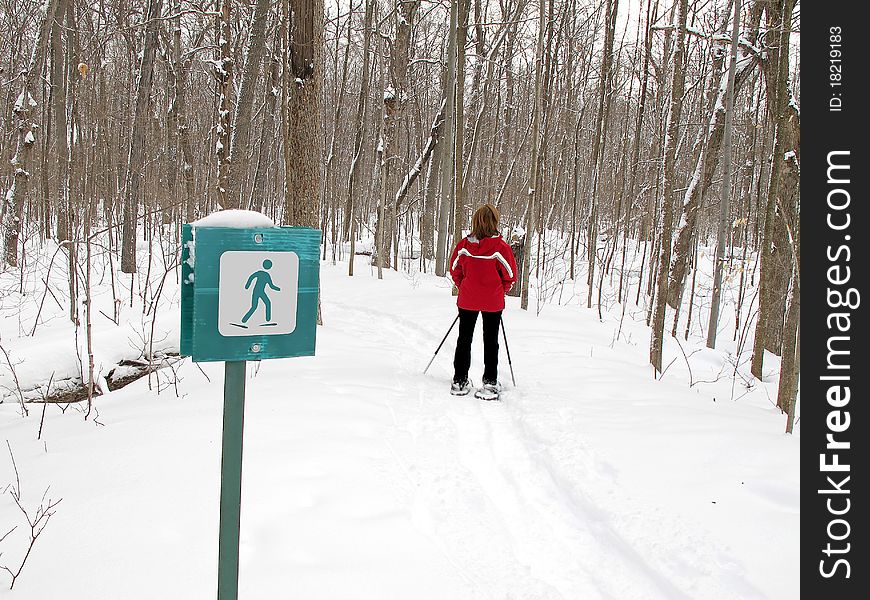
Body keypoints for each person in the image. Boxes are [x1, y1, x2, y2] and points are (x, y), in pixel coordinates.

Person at [448, 203, 517, 398]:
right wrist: (500, 291)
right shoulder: (501, 247)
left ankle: (459, 381)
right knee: (491, 340)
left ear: (475, 221)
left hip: (468, 300)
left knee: (464, 339)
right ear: (494, 221)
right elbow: (510, 275)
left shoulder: (464, 246)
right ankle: (490, 383)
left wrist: (464, 286)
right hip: (492, 302)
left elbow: (455, 269)